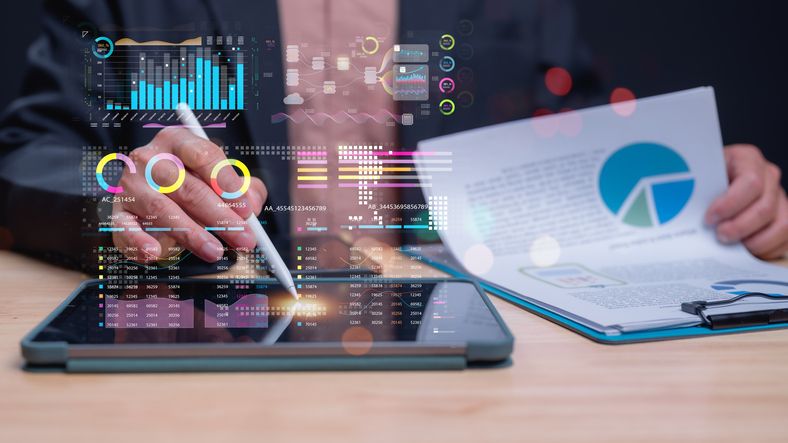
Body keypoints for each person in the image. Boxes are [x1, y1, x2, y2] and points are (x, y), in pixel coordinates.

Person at [0, 0, 785, 275]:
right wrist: (113, 190)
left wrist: (696, 180)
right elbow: (31, 150)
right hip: (223, 321)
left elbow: (574, 134)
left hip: (478, 339)